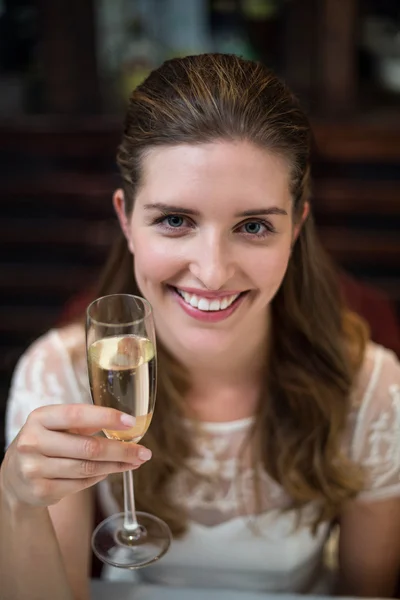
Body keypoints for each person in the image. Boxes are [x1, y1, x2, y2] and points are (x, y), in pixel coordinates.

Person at [1, 53, 400, 600]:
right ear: (126, 219)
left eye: (254, 225)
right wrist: (17, 504)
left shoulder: (373, 389)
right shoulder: (59, 374)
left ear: (297, 229)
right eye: (174, 221)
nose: (212, 272)